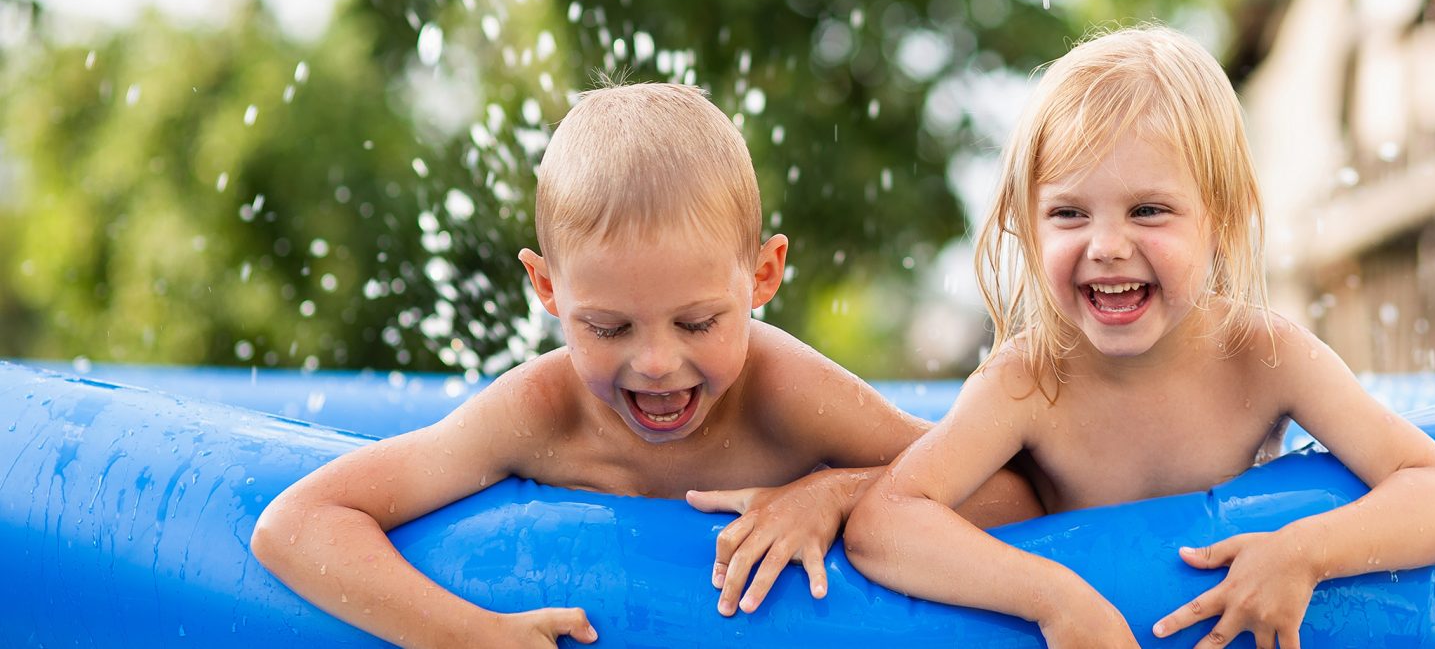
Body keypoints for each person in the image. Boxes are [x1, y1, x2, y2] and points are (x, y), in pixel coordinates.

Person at [252, 83, 1037, 649]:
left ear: (762, 277)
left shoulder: (782, 390)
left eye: (698, 321)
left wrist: (835, 494)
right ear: (548, 288)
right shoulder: (537, 408)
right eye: (608, 325)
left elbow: (1009, 489)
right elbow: (295, 523)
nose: (657, 363)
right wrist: (466, 635)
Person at [844, 26, 1435, 649]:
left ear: (1221, 218)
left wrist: (1304, 552)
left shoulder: (1264, 357)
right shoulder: (1029, 380)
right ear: (1028, 226)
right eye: (1069, 213)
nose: (1106, 246)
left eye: (1148, 210)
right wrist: (1054, 598)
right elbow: (886, 522)